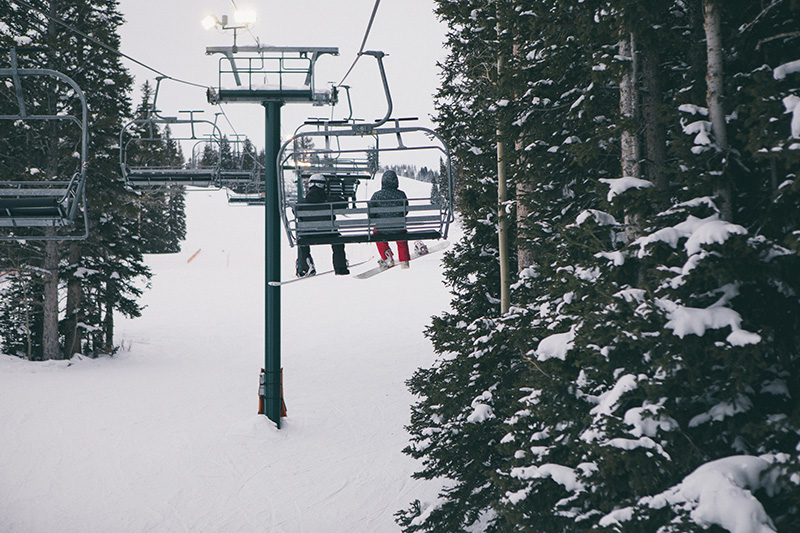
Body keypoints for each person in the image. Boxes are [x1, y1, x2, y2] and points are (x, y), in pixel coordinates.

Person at [295, 173, 349, 277]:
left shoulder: (301, 203)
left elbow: (295, 211)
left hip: (308, 234)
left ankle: (306, 267)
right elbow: (344, 204)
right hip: (329, 233)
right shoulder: (330, 200)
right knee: (338, 241)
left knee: (302, 240)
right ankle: (340, 267)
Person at [368, 170, 410, 269]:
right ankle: (404, 260)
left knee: (377, 235)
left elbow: (371, 213)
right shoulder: (401, 194)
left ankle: (387, 256)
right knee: (401, 236)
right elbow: (405, 211)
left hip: (382, 229)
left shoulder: (376, 195)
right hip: (398, 229)